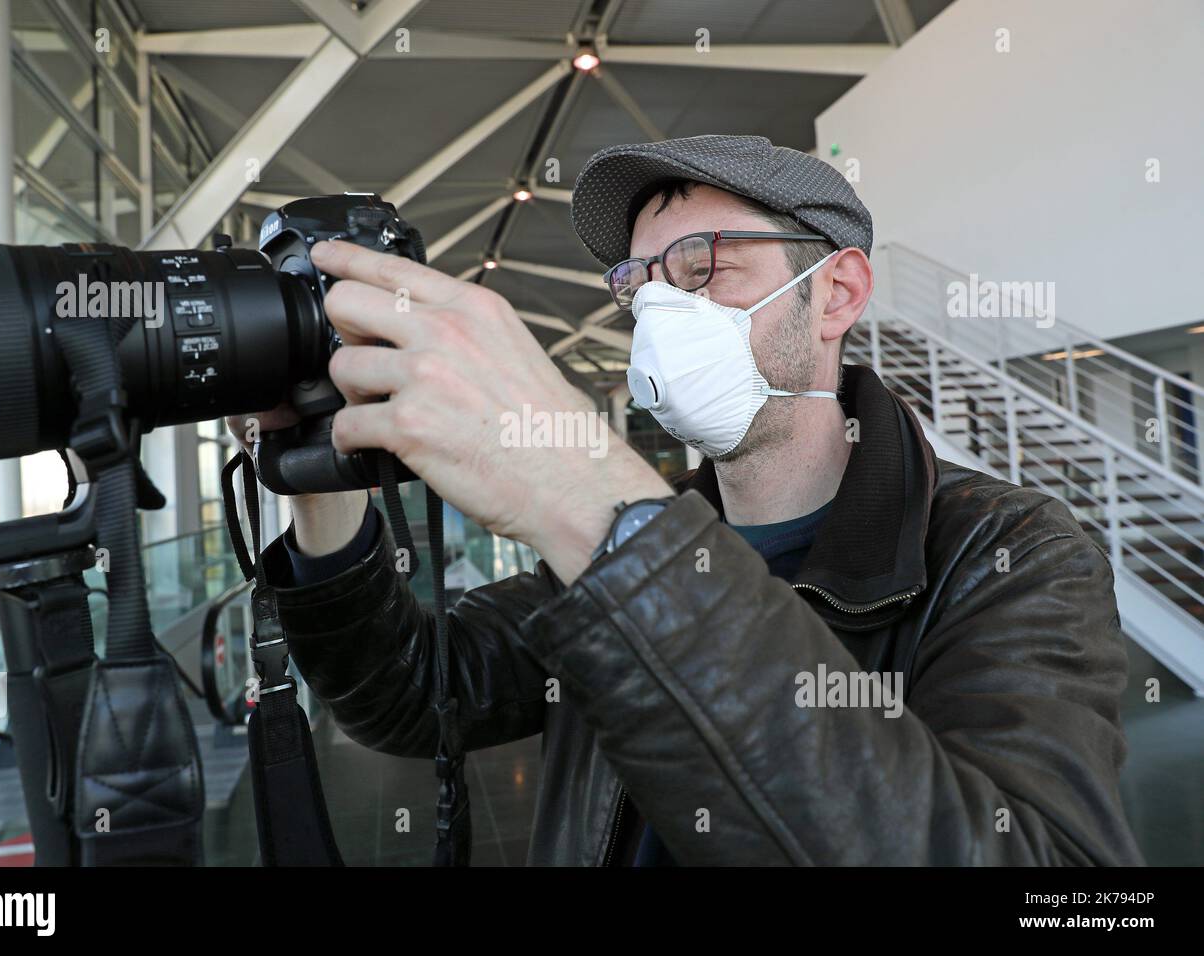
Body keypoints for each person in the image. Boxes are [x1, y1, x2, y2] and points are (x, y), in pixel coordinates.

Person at [228, 134, 1142, 865]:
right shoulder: (622, 556)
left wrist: (591, 491)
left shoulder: (1006, 554)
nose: (662, 308)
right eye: (642, 280)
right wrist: (320, 467)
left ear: (836, 294)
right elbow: (411, 693)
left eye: (705, 264)